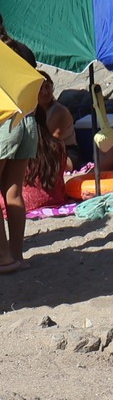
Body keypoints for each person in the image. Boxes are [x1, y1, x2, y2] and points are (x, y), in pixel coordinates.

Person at [0, 36, 43, 271]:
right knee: (13, 192)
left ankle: (3, 258)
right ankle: (16, 255)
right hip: (27, 120)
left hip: (5, 122)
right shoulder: (20, 50)